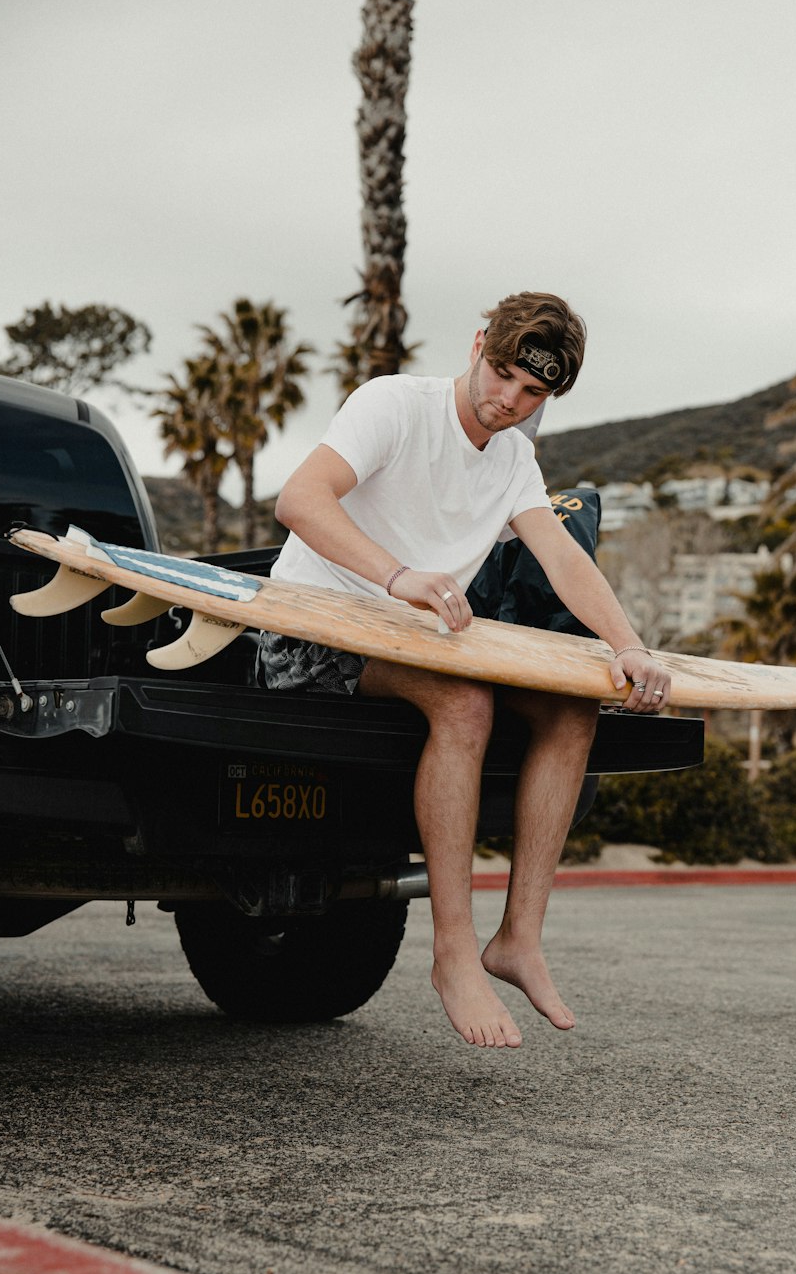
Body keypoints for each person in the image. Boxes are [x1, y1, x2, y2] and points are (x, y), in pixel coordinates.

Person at [257, 291, 670, 1050]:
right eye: (503, 373)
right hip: (310, 632)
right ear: (480, 342)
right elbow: (300, 498)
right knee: (466, 702)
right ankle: (453, 950)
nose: (507, 401)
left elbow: (562, 559)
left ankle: (518, 939)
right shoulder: (395, 406)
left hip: (414, 643)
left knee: (574, 706)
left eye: (533, 393)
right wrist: (398, 576)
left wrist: (629, 645)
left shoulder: (515, 455)